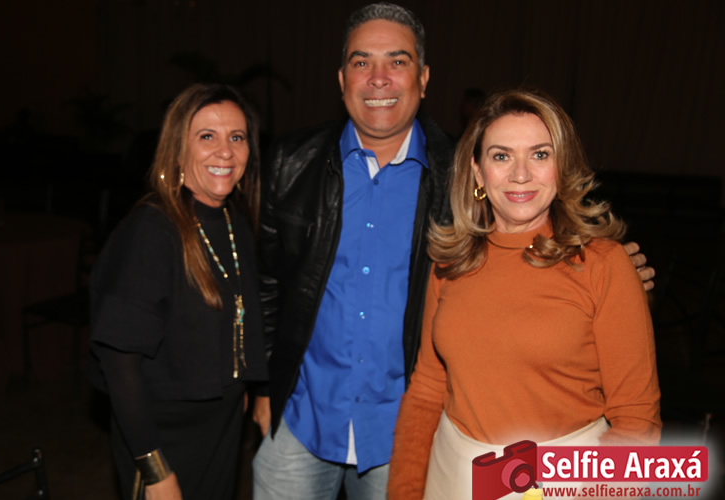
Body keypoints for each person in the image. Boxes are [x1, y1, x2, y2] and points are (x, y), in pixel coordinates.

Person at [252, 4, 654, 499]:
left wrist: (616, 276)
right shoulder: (293, 163)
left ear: (423, 78)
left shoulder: (453, 174)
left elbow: (633, 413)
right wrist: (265, 386)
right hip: (307, 417)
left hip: (406, 431)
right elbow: (268, 280)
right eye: (361, 61)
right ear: (341, 78)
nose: (379, 77)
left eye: (397, 61)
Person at [387, 89, 662, 500]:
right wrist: (405, 491)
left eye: (539, 155)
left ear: (562, 166)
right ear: (478, 172)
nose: (520, 174)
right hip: (450, 476)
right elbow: (427, 388)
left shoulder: (604, 264)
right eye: (501, 156)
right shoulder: (451, 261)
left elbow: (637, 420)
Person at [88, 83, 267, 500]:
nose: (225, 152)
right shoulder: (152, 231)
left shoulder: (234, 221)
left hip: (221, 425)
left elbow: (242, 314)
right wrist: (155, 470)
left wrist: (252, 386)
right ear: (177, 150)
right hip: (163, 435)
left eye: (236, 137)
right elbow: (119, 360)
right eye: (207, 136)